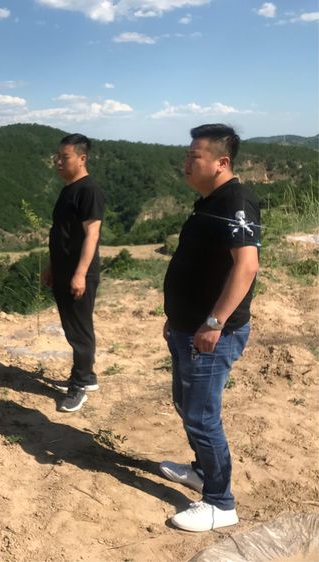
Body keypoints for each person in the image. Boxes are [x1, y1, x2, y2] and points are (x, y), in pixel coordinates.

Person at [161, 124, 260, 532]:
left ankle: (220, 503)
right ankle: (202, 470)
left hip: (211, 333)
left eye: (194, 157)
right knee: (186, 405)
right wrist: (177, 319)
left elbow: (246, 266)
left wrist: (214, 322)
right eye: (187, 155)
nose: (186, 163)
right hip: (187, 328)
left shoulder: (236, 201)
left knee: (202, 417)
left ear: (221, 162)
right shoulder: (209, 201)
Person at [42, 133, 104, 413]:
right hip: (63, 270)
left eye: (64, 157)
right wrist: (52, 266)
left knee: (79, 330)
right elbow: (62, 234)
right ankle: (87, 376)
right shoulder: (69, 189)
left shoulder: (88, 190)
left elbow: (92, 234)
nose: (58, 161)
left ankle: (79, 385)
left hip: (79, 273)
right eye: (57, 156)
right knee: (74, 326)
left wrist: (80, 274)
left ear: (82, 158)